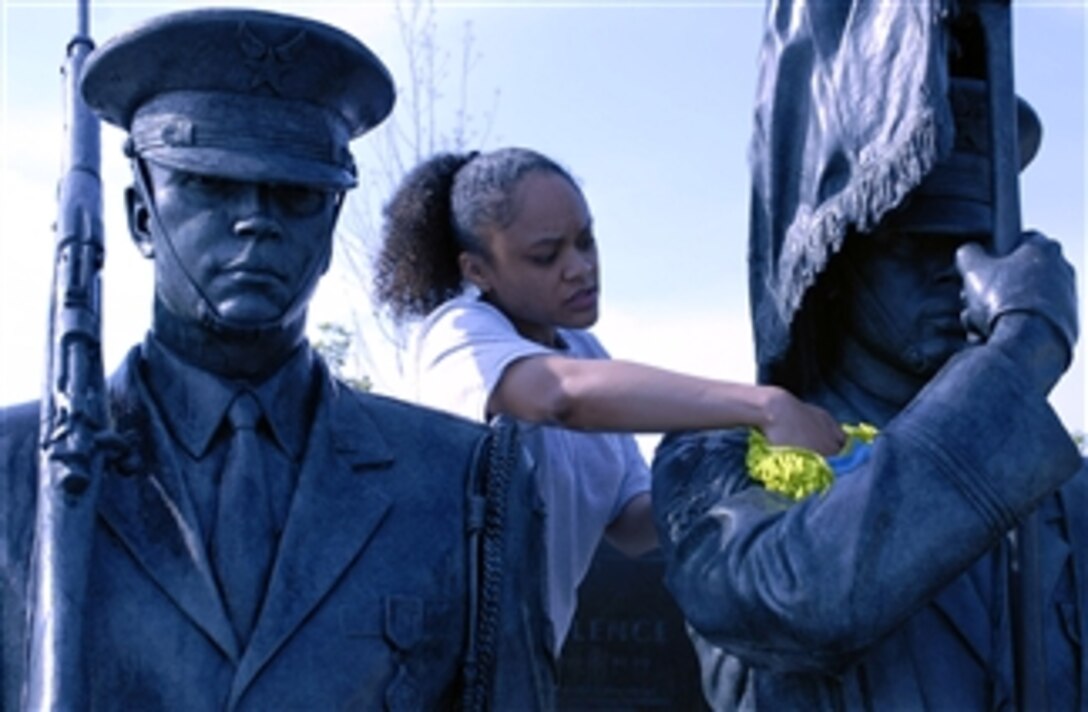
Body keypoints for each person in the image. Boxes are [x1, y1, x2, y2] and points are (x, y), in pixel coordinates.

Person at [0, 8, 553, 709]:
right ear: (142, 213)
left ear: (330, 226)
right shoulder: (17, 472)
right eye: (209, 184)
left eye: (295, 194)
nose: (255, 219)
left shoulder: (458, 479)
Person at [651, 5, 1086, 708]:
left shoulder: (1064, 493)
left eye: (983, 245)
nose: (966, 272)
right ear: (836, 267)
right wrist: (1019, 358)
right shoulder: (718, 457)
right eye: (920, 247)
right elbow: (798, 602)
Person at [372, 147, 845, 656]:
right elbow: (559, 397)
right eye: (546, 255)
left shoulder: (584, 353)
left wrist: (749, 469)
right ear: (479, 270)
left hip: (522, 669)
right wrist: (764, 405)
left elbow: (634, 525)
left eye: (586, 241)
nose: (580, 268)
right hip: (424, 664)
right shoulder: (458, 336)